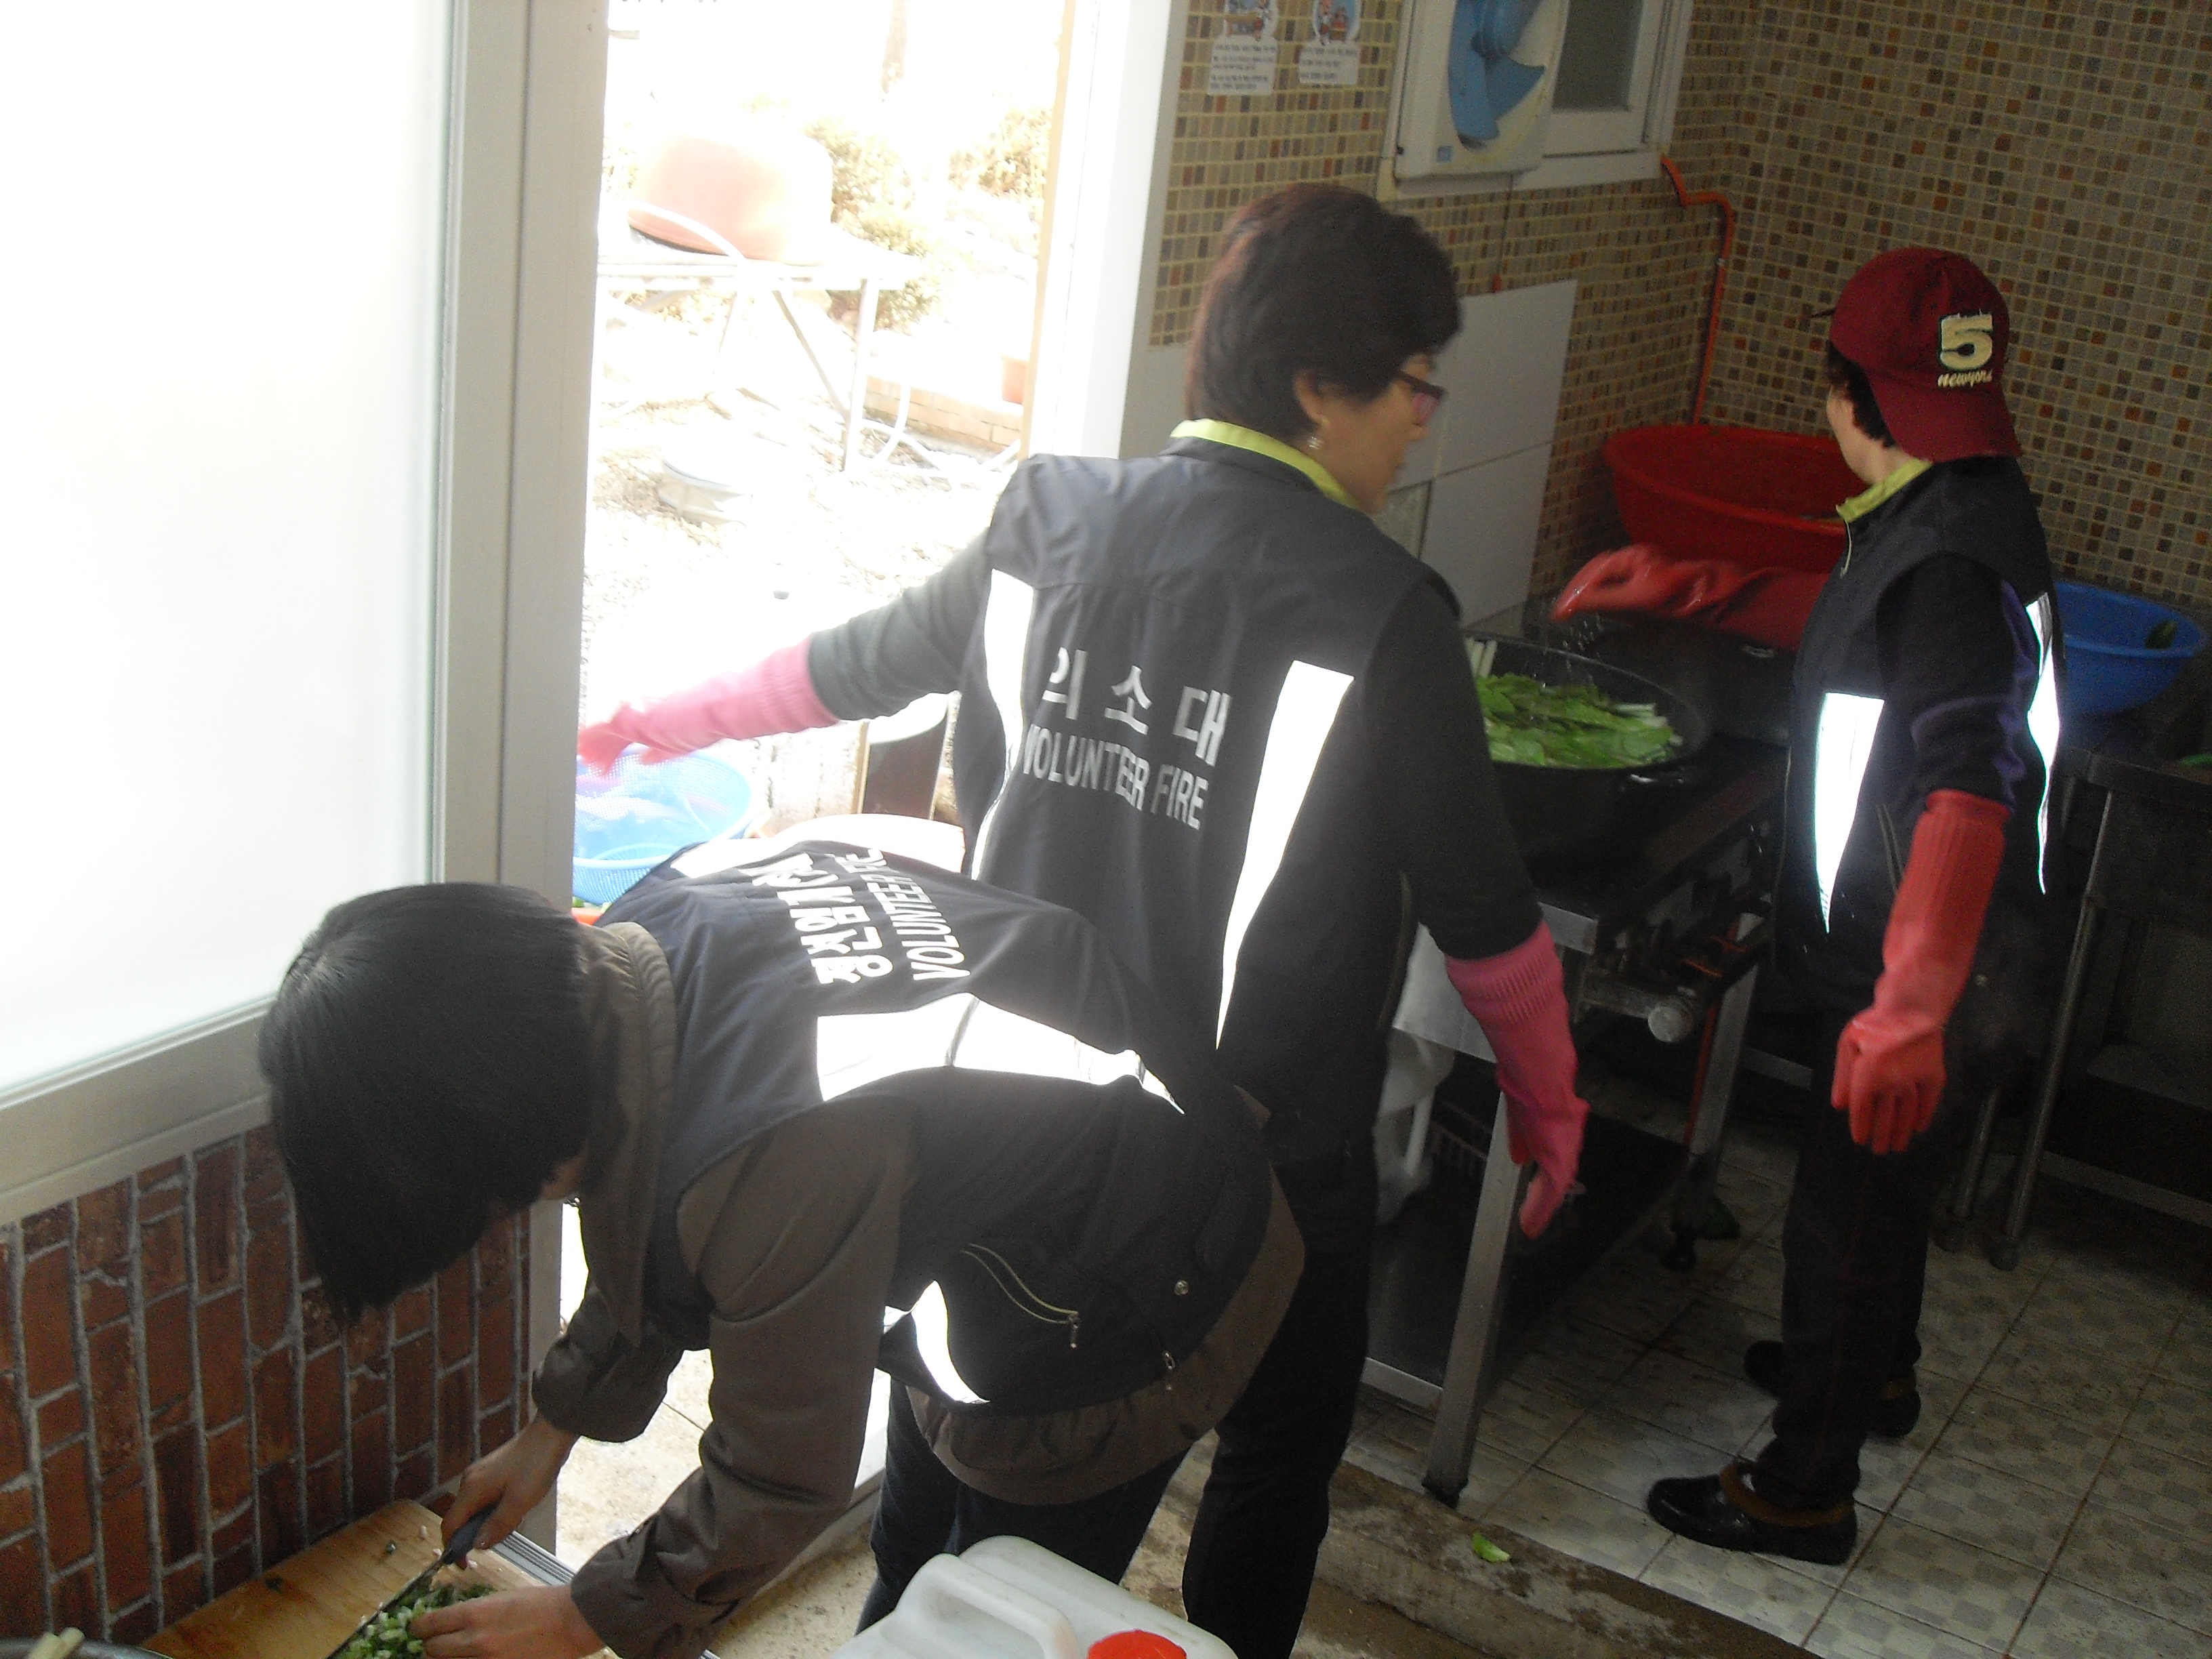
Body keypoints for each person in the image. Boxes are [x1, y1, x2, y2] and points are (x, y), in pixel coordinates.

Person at [577, 183, 1592, 1659]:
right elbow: (1489, 924)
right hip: (1245, 1161)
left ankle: (894, 1628)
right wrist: (1551, 1112)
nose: (1422, 424)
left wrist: (651, 720)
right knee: (1259, 1462)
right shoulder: (1384, 612)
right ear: (1321, 388)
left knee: (953, 1435)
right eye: (1415, 387)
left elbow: (849, 667)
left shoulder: (1045, 521)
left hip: (1005, 1122)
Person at [258, 831, 1302, 1659]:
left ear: (509, 1140)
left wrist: (585, 1615)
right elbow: (641, 1192)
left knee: (1002, 1611)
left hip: (1148, 1280)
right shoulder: (636, 940)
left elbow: (782, 1471)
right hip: (1014, 1206)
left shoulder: (783, 1155)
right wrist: (553, 1427)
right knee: (913, 1538)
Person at [1578, 248, 2060, 1562]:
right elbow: (1869, 633)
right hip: (1967, 946)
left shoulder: (1944, 557)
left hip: (1928, 954)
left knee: (1843, 1220)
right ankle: (1872, 1375)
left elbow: (1968, 782)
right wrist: (1691, 585)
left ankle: (1801, 1490)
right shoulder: (1964, 499)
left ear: (1845, 394)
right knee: (1883, 1208)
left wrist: (1911, 1004)